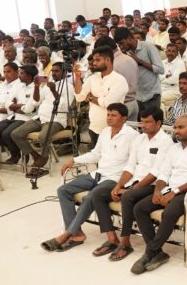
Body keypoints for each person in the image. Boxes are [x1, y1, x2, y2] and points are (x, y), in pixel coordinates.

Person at [39, 103, 138, 253]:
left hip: (114, 178)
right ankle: (77, 233)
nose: (109, 118)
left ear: (124, 118)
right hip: (97, 173)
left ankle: (67, 234)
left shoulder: (132, 136)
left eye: (113, 115)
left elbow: (133, 164)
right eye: (108, 114)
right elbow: (95, 154)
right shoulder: (105, 132)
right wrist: (74, 160)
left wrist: (125, 184)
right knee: (63, 190)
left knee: (90, 197)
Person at [130, 115, 187, 274]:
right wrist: (157, 190)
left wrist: (173, 192)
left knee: (169, 213)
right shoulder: (174, 149)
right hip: (171, 189)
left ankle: (149, 253)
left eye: (181, 127)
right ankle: (157, 252)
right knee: (139, 208)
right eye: (175, 127)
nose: (177, 131)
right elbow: (164, 172)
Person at [89, 108, 171, 261]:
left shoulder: (165, 142)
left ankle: (125, 241)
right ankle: (112, 238)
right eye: (142, 121)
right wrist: (119, 185)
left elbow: (156, 171)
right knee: (98, 194)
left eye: (148, 122)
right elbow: (130, 166)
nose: (143, 125)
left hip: (152, 184)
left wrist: (132, 189)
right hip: (134, 181)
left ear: (159, 123)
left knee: (127, 197)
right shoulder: (139, 139)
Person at [10, 63, 73, 170]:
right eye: (52, 71)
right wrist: (36, 86)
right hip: (40, 118)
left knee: (43, 137)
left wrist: (54, 91)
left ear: (65, 72)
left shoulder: (68, 87)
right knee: (16, 134)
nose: (53, 73)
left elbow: (65, 107)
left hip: (56, 120)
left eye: (56, 71)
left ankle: (44, 157)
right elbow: (36, 100)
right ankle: (36, 156)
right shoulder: (49, 85)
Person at [75, 46, 129, 146]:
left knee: (110, 160)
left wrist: (91, 97)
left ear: (108, 60)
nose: (94, 63)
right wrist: (77, 77)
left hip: (112, 130)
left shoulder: (119, 80)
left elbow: (108, 103)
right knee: (97, 160)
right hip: (93, 129)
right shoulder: (92, 78)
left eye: (97, 60)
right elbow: (79, 97)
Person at [116, 27, 165, 115]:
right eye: (119, 45)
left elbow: (160, 69)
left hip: (152, 95)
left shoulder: (148, 46)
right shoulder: (126, 53)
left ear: (129, 38)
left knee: (151, 126)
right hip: (137, 97)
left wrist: (139, 61)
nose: (121, 47)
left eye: (122, 43)